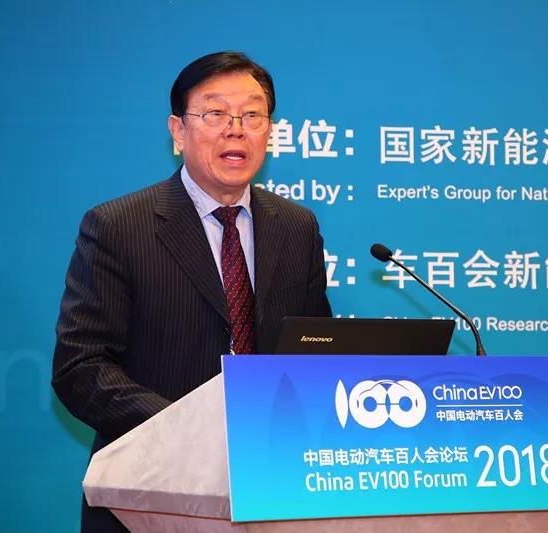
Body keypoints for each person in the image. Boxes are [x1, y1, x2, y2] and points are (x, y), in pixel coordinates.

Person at [52, 51, 332, 532]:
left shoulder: (297, 227)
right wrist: (188, 429)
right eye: (216, 113)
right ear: (178, 131)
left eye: (252, 115)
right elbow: (80, 366)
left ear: (269, 131)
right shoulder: (118, 226)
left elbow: (313, 351)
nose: (236, 130)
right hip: (152, 492)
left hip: (272, 491)